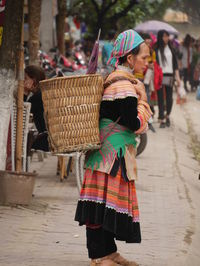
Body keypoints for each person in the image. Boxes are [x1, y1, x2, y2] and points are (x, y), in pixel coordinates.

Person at [75, 29, 152, 266]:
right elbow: (134, 123)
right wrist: (144, 104)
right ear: (130, 58)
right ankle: (98, 256)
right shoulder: (125, 87)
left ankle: (108, 252)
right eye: (144, 57)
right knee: (100, 205)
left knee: (105, 203)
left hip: (109, 155)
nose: (147, 63)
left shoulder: (120, 81)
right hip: (109, 156)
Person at [154, 30, 181, 128]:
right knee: (160, 98)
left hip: (169, 75)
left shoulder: (171, 49)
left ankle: (167, 115)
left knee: (169, 98)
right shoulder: (156, 50)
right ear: (160, 37)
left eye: (167, 36)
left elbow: (175, 65)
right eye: (164, 36)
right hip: (160, 75)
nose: (166, 38)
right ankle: (161, 118)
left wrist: (178, 78)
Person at [24, 65, 49, 152]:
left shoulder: (38, 96)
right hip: (48, 137)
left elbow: (22, 113)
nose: (23, 81)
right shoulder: (43, 92)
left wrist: (24, 92)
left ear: (33, 80)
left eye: (25, 78)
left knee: (24, 145)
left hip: (46, 140)